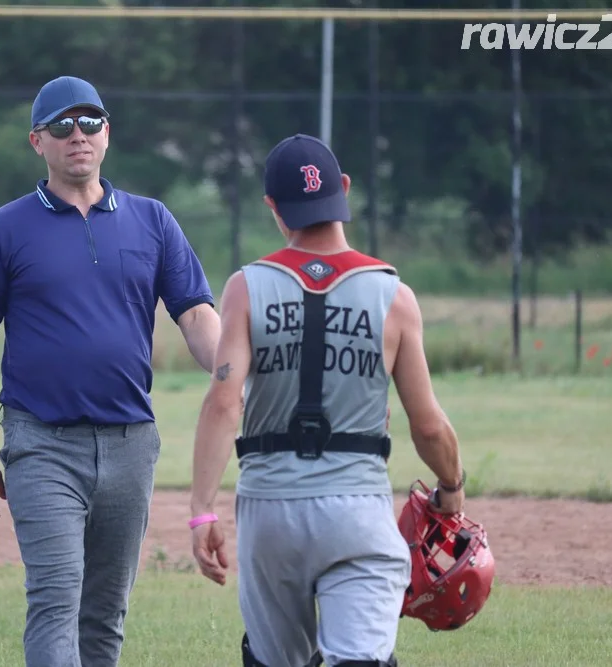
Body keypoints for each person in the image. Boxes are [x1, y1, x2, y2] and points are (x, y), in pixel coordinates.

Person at [0, 75, 222, 667]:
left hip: (130, 445)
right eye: (62, 126)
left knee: (104, 615)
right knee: (55, 599)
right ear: (37, 142)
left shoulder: (152, 221)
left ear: (107, 133)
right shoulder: (4, 229)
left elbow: (197, 316)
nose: (79, 135)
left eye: (90, 122)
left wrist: (239, 375)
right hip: (42, 444)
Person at [187, 134, 467, 667]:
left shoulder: (247, 287)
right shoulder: (394, 296)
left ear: (274, 207)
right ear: (344, 189)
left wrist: (202, 512)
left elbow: (224, 404)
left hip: (269, 510)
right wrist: (451, 487)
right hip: (355, 509)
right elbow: (428, 426)